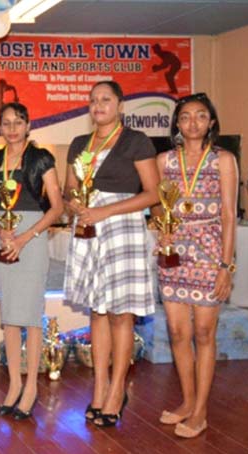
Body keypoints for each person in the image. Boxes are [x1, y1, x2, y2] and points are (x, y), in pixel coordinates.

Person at [64, 80, 159, 427]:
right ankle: (100, 385)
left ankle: (118, 388)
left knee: (121, 314)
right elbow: (68, 190)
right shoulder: (79, 144)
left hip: (122, 227)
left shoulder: (136, 141)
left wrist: (105, 210)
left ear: (120, 104)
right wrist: (76, 205)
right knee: (98, 310)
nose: (98, 105)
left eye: (105, 99)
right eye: (92, 100)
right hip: (88, 229)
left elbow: (152, 194)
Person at [155, 93, 237, 438]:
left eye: (201, 116)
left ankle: (201, 411)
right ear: (177, 123)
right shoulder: (164, 161)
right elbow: (160, 207)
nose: (193, 123)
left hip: (209, 250)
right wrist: (163, 230)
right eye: (186, 117)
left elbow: (230, 215)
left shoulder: (223, 160)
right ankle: (187, 402)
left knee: (204, 334)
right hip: (173, 252)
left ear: (211, 123)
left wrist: (225, 266)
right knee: (177, 332)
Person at [0, 102, 63, 421]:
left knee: (30, 314)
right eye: (6, 122)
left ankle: (31, 388)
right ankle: (14, 385)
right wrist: (0, 230)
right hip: (3, 237)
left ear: (29, 125)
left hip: (33, 237)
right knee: (10, 313)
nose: (12, 128)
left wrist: (26, 236)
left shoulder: (41, 158)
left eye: (19, 121)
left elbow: (56, 207)